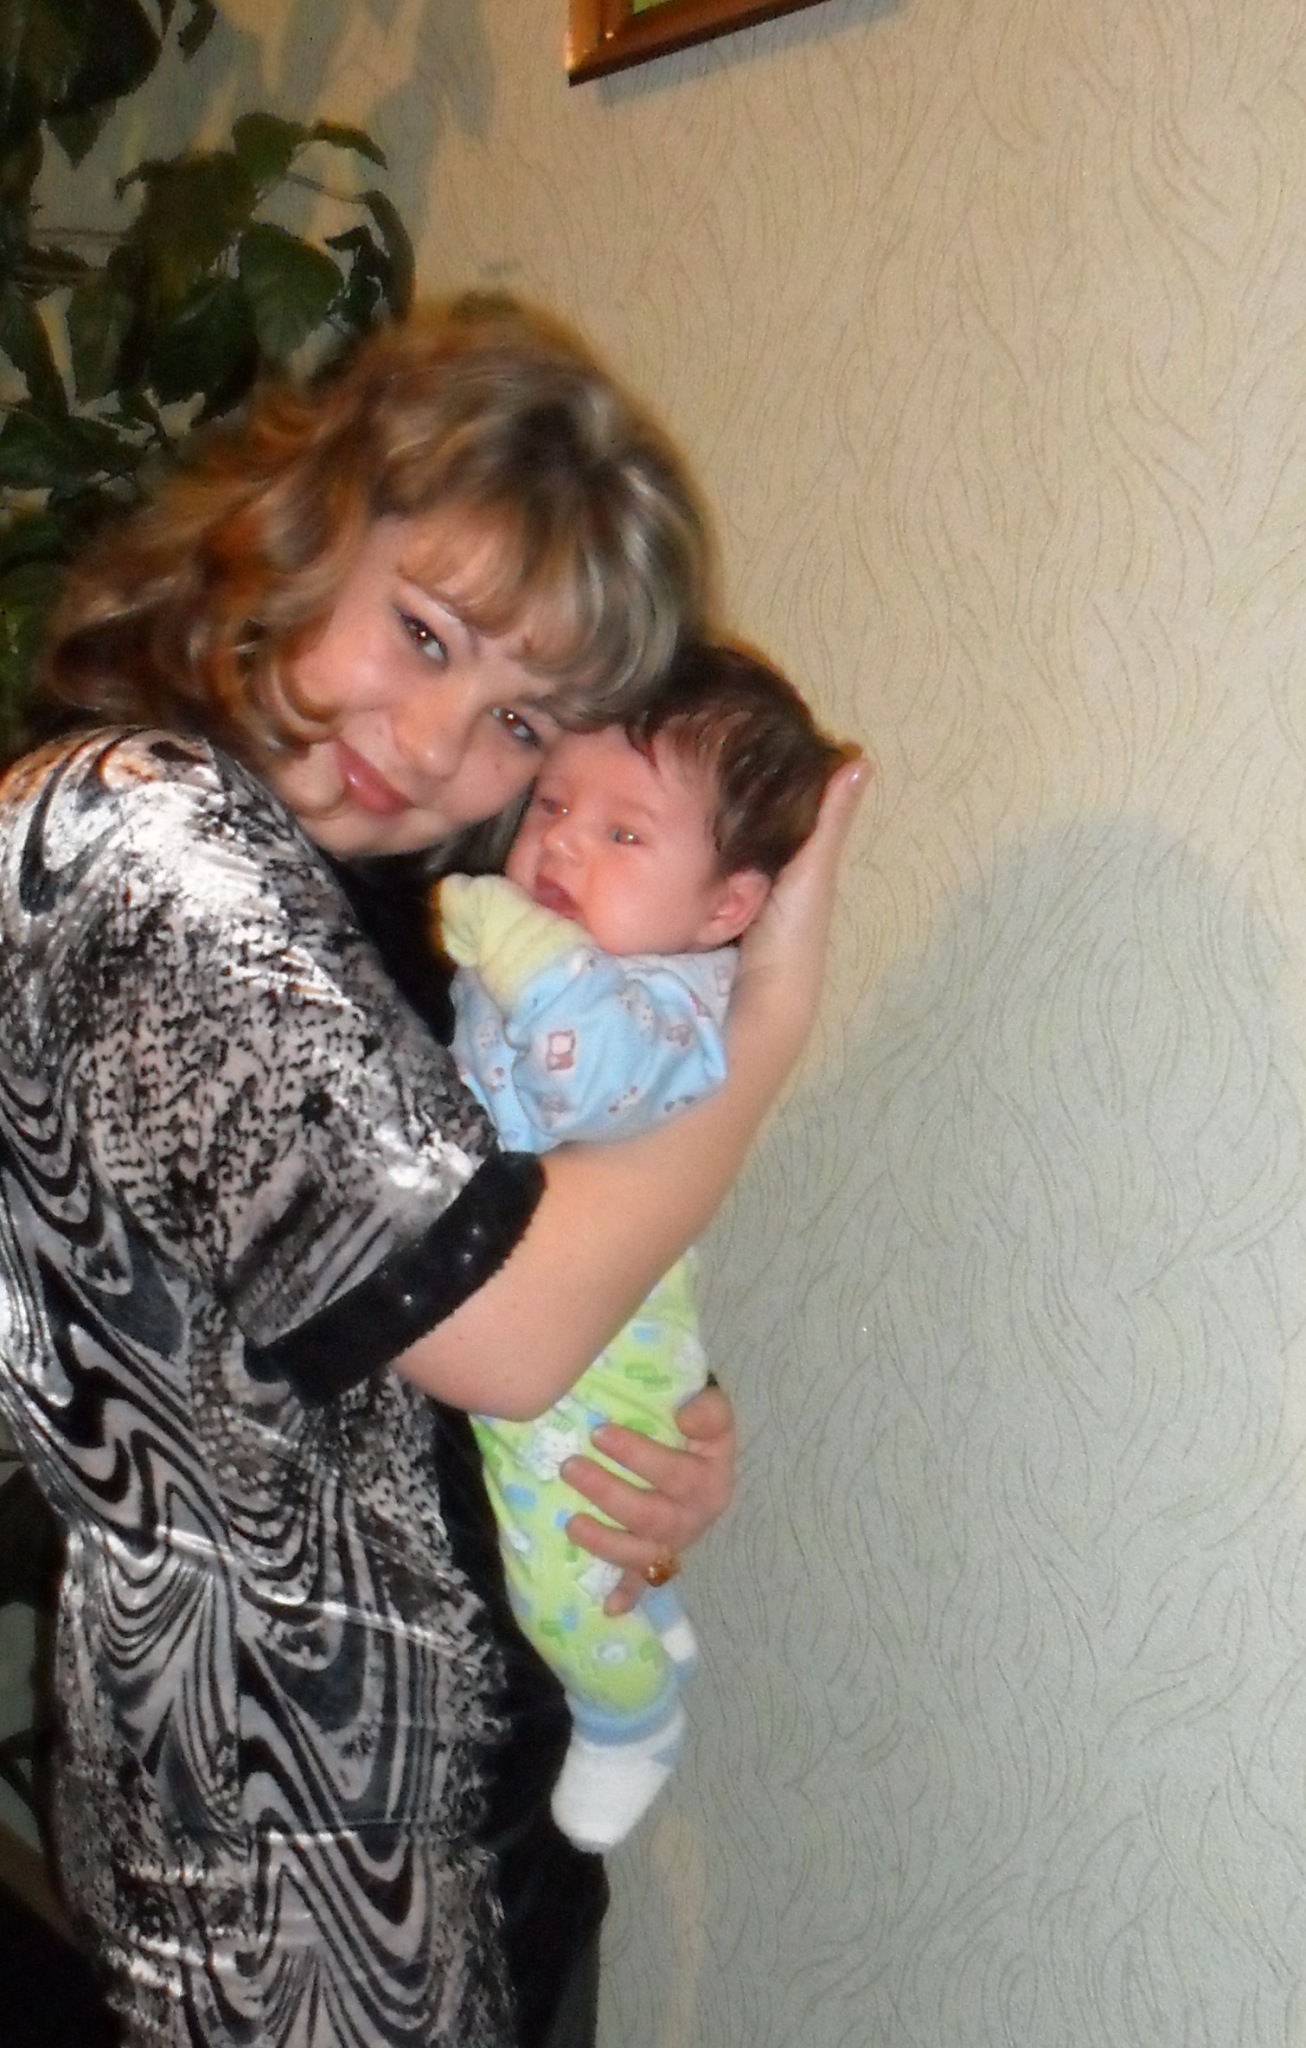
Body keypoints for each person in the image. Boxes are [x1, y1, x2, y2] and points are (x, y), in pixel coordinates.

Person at [0, 297, 866, 2048]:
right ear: (312, 518)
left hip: (458, 1832)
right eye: (423, 632)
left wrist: (662, 1433)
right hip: (295, 1881)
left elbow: (498, 1270)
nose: (437, 743)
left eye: (523, 722)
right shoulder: (139, 835)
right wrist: (768, 1018)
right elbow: (509, 1329)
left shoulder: (374, 899)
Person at [438, 642, 847, 1854]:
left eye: (623, 833)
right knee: (575, 1539)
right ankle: (650, 1638)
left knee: (563, 1570)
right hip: (569, 1345)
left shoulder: (668, 998)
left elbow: (598, 1082)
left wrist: (517, 946)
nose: (561, 844)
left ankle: (630, 1713)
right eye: (554, 807)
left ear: (726, 908)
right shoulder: (553, 957)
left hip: (595, 1349)